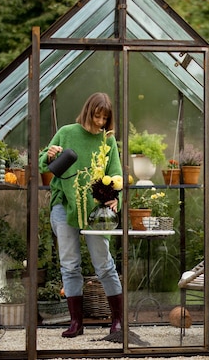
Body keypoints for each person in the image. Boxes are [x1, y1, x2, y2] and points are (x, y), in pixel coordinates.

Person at [39, 92, 123, 338]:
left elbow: (116, 173)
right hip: (64, 206)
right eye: (97, 116)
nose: (100, 122)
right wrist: (50, 154)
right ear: (89, 112)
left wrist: (114, 197)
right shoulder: (66, 133)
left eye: (105, 118)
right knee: (69, 264)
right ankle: (76, 323)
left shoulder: (107, 141)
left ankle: (117, 321)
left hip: (95, 210)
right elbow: (44, 164)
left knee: (104, 264)